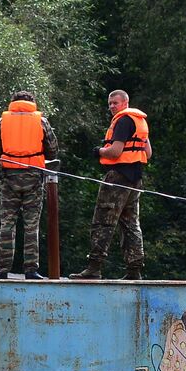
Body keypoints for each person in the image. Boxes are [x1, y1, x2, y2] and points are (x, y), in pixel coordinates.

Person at [69, 90, 153, 280]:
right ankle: (134, 270)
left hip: (118, 178)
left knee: (103, 221)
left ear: (125, 102)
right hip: (136, 179)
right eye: (110, 104)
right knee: (131, 224)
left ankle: (94, 268)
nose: (112, 107)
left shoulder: (123, 121)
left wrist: (98, 151)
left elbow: (115, 152)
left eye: (115, 103)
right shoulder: (140, 121)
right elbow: (148, 153)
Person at [0, 90, 58, 280]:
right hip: (33, 178)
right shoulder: (41, 121)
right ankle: (31, 270)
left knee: (7, 224)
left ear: (13, 102)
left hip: (9, 178)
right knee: (31, 226)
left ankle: (3, 270)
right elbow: (52, 150)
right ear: (33, 102)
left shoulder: (2, 121)